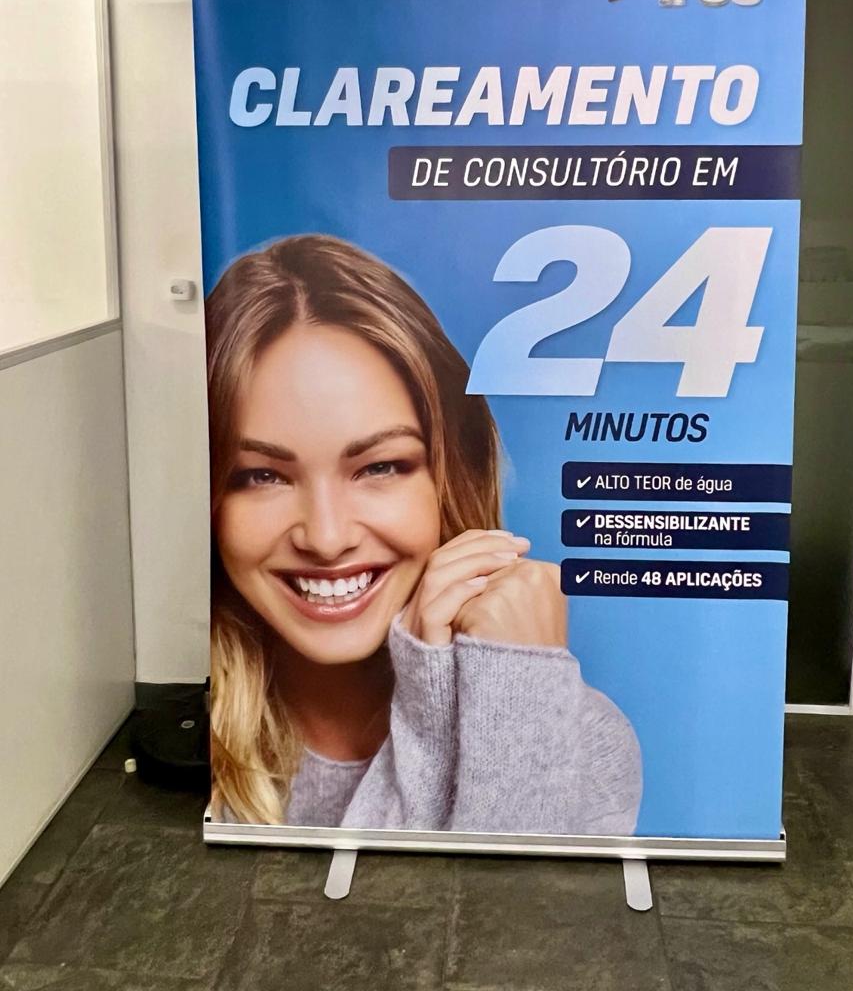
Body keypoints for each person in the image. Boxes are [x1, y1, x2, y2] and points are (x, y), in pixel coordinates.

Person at [207, 234, 642, 833]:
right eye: (261, 476)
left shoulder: (572, 732)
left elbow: (502, 897)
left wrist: (513, 692)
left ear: (449, 475)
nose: (327, 539)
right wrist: (432, 707)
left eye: (380, 467)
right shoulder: (191, 738)